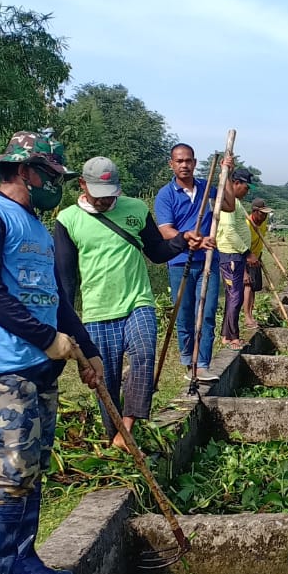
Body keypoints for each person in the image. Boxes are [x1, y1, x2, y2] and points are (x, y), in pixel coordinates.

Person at [0, 130, 101, 574]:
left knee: (34, 466)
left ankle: (25, 558)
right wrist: (45, 338)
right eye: (51, 175)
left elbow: (53, 299)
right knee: (13, 469)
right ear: (24, 171)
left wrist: (86, 347)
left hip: (41, 367)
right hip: (2, 366)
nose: (54, 184)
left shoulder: (35, 226)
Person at [52, 156, 189, 444]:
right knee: (106, 380)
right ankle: (115, 436)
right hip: (97, 311)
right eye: (98, 196)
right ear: (82, 185)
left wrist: (183, 241)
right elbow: (66, 280)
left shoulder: (136, 209)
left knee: (143, 354)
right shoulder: (67, 220)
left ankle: (128, 424)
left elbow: (156, 252)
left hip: (137, 301)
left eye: (110, 194)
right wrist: (65, 324)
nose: (104, 201)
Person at [152, 143, 222, 377]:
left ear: (194, 162)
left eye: (188, 161)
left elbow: (228, 204)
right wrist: (192, 239)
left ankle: (202, 365)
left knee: (207, 312)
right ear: (171, 164)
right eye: (179, 161)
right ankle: (187, 362)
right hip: (180, 261)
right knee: (184, 316)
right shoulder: (166, 194)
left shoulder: (206, 187)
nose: (184, 165)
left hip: (208, 261)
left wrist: (226, 176)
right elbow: (165, 230)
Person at [215, 168, 255, 348]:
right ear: (236, 183)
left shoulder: (237, 203)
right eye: (246, 188)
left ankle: (226, 334)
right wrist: (247, 252)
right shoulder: (229, 203)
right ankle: (233, 338)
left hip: (235, 256)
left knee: (233, 296)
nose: (247, 192)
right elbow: (229, 232)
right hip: (231, 255)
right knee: (235, 297)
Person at [242, 198, 271, 336]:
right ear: (254, 212)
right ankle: (246, 317)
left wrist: (259, 257)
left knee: (253, 288)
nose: (265, 216)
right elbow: (240, 248)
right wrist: (243, 272)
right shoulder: (246, 225)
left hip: (256, 258)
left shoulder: (263, 222)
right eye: (262, 213)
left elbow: (261, 238)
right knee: (247, 285)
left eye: (266, 214)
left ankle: (251, 315)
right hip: (244, 259)